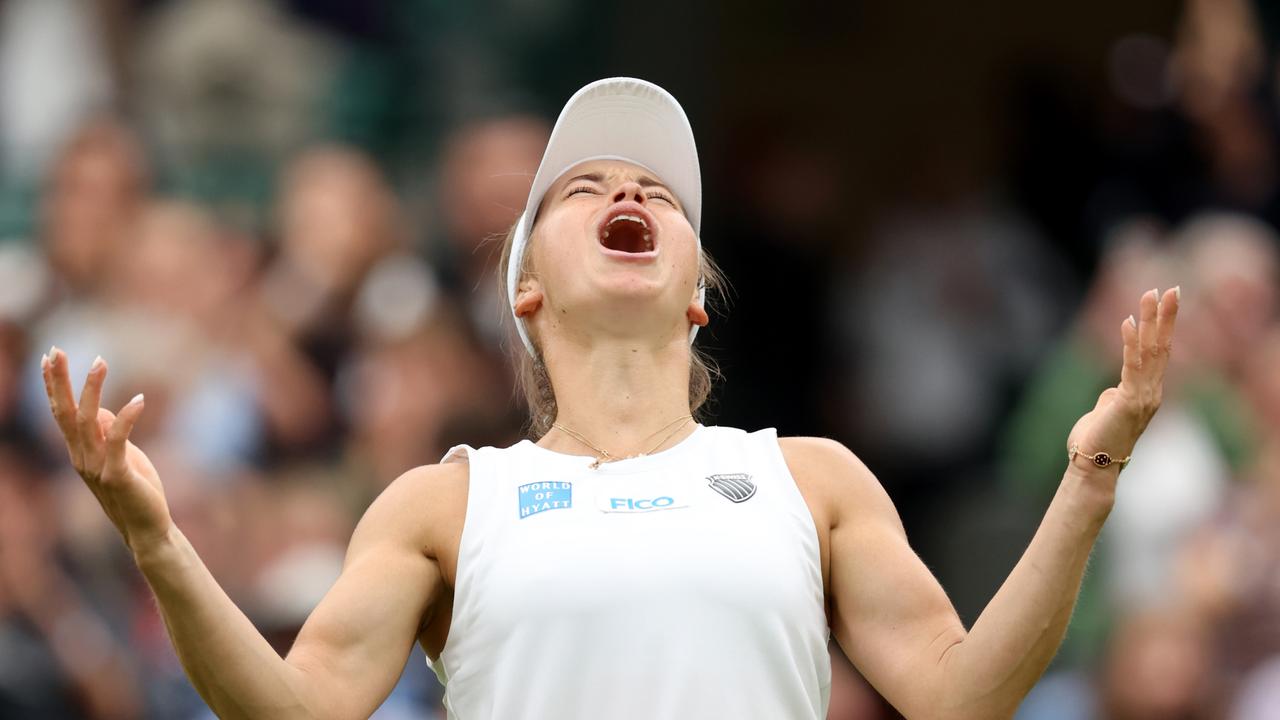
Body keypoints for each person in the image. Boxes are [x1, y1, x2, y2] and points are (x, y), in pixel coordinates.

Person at [39, 78, 1180, 719]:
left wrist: (1090, 477)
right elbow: (292, 714)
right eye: (582, 187)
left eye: (656, 194)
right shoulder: (442, 506)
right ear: (526, 291)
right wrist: (156, 538)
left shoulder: (812, 478)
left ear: (695, 294)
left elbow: (961, 701)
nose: (627, 190)